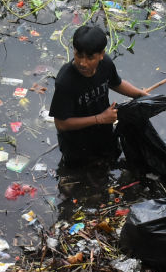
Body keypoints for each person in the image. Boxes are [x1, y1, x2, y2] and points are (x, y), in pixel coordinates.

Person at [49, 25, 149, 167]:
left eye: (90, 57)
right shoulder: (65, 81)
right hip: (76, 144)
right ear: (73, 51)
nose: (83, 63)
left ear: (101, 54)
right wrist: (100, 118)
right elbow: (61, 124)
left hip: (103, 133)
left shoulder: (106, 64)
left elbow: (116, 83)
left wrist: (140, 94)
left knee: (109, 165)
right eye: (79, 55)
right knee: (80, 176)